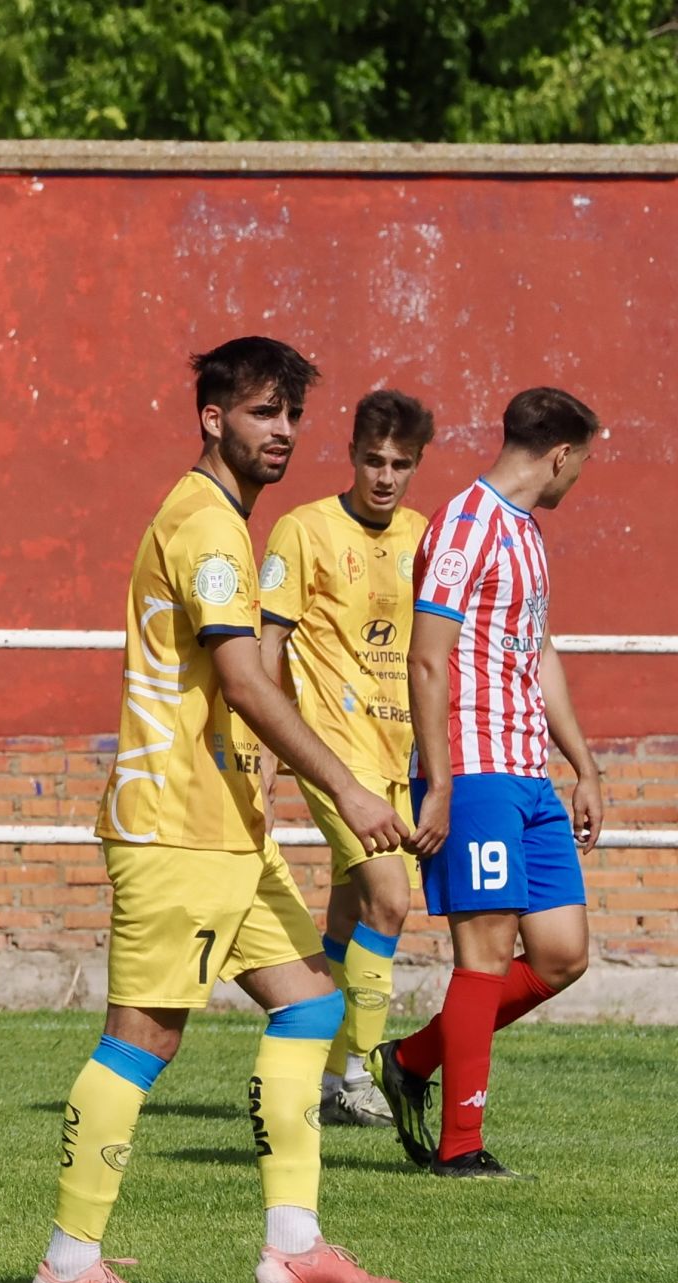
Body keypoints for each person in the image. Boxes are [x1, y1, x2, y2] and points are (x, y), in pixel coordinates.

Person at [35, 337, 409, 1283]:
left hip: (231, 831)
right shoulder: (204, 527)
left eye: (291, 415)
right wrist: (352, 790)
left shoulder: (234, 525)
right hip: (174, 826)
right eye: (261, 413)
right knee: (143, 1039)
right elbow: (244, 681)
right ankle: (68, 1264)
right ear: (212, 418)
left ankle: (294, 1249)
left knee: (312, 1002)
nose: (282, 432)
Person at [369, 387, 604, 1179]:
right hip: (472, 772)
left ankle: (409, 1058)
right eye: (583, 462)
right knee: (486, 954)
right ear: (561, 454)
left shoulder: (528, 535)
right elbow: (426, 657)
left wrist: (584, 763)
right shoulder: (465, 527)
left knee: (563, 953)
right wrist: (436, 781)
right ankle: (459, 1150)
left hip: (529, 774)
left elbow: (540, 655)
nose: (579, 477)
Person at [258, 391, 432, 1130]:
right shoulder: (303, 531)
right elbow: (263, 653)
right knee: (391, 900)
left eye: (400, 464)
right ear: (351, 452)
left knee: (354, 910)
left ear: (416, 463)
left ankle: (325, 1075)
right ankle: (361, 1069)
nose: (384, 476)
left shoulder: (427, 537)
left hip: (400, 754)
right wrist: (260, 769)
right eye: (372, 459)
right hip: (334, 754)